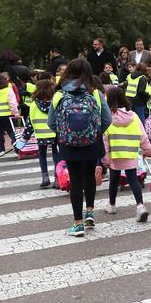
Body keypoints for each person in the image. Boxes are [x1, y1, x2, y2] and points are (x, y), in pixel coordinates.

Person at [49, 58, 112, 237]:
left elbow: (51, 122)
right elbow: (107, 119)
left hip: (68, 144)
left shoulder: (59, 95)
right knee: (90, 175)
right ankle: (90, 213)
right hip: (92, 142)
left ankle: (77, 224)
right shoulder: (96, 94)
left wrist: (65, 134)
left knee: (75, 181)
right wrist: (95, 132)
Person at [102, 85, 151, 221]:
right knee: (133, 180)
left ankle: (112, 205)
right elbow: (142, 134)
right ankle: (140, 206)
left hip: (115, 155)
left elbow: (104, 140)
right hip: (131, 154)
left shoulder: (108, 118)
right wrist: (147, 150)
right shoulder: (133, 116)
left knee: (114, 181)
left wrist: (106, 159)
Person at [28, 76, 59, 188]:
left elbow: (30, 122)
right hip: (55, 133)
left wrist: (24, 138)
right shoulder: (55, 102)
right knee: (56, 154)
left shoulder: (34, 105)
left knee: (42, 154)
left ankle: (45, 177)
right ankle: (57, 178)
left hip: (41, 134)